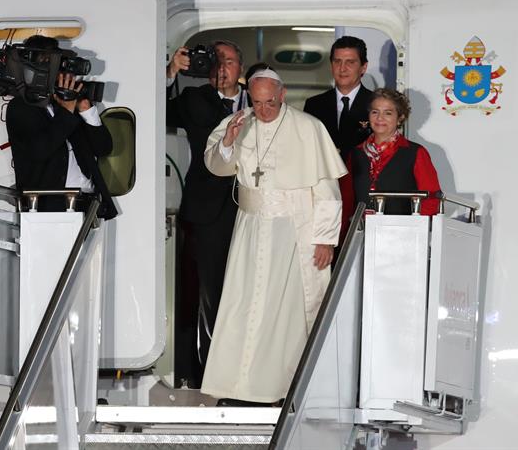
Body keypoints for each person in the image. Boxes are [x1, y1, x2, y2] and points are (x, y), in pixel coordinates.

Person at [200, 69, 346, 404]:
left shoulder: (309, 128)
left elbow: (328, 190)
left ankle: (286, 387)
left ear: (282, 95)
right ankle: (239, 387)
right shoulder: (239, 122)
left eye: (270, 102)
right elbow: (217, 166)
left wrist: (325, 238)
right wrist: (228, 141)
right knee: (244, 303)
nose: (263, 110)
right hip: (250, 227)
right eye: (257, 102)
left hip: (295, 227)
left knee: (288, 311)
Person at [166, 40, 249, 385]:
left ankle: (245, 370)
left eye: (229, 61)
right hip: (206, 211)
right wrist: (171, 71)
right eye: (215, 61)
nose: (221, 67)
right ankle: (201, 372)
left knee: (247, 291)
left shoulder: (260, 99)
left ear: (240, 68)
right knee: (206, 293)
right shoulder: (193, 99)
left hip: (252, 210)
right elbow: (154, 108)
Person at [5, 35, 117, 219]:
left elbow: (103, 148)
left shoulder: (66, 105)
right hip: (47, 206)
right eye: (48, 62)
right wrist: (66, 111)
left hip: (87, 203)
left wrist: (86, 111)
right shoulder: (20, 107)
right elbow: (40, 150)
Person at [347, 88, 441, 218]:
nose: (380, 118)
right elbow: (347, 199)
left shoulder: (415, 153)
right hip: (362, 231)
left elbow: (432, 198)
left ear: (400, 118)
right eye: (375, 112)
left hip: (402, 232)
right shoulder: (356, 153)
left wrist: (415, 229)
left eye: (388, 113)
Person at [303, 35, 374, 159]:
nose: (342, 68)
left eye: (350, 62)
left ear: (364, 67)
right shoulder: (314, 105)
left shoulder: (376, 104)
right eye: (337, 61)